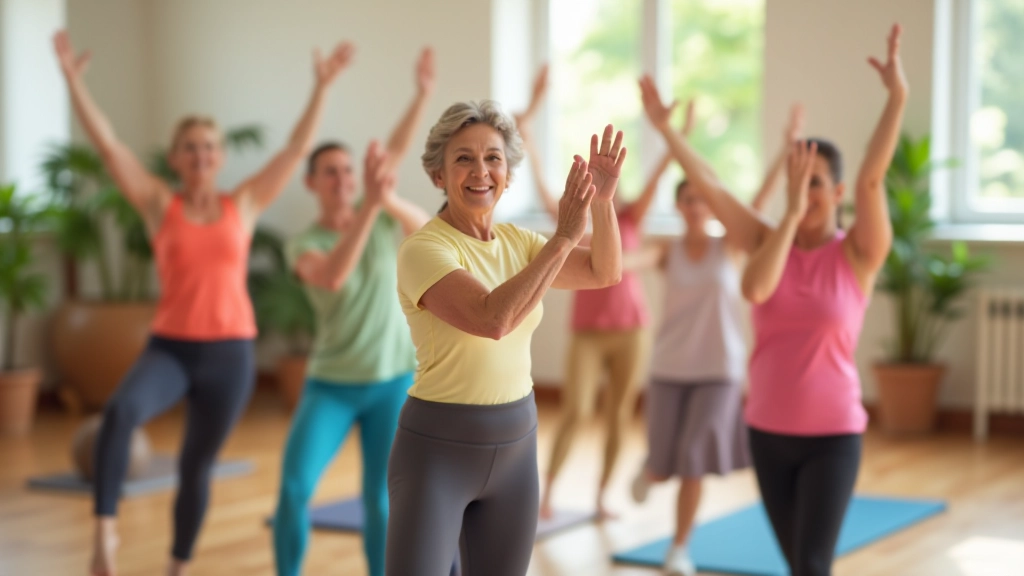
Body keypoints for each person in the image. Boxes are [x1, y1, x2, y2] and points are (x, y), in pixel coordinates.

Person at [53, 29, 351, 576]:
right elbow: (110, 147)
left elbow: (294, 150)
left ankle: (178, 566)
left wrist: (323, 86)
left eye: (209, 146)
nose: (201, 154)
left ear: (220, 157)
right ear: (175, 157)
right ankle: (105, 535)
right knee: (120, 413)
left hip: (230, 355)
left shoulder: (245, 203)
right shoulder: (157, 203)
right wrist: (73, 81)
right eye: (190, 146)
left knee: (196, 467)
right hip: (170, 349)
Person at [639, 23, 906, 576]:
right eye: (796, 180)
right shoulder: (765, 239)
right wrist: (666, 130)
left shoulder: (858, 253)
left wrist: (896, 96)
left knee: (812, 563)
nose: (804, 192)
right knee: (795, 562)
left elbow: (872, 179)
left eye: (815, 182)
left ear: (837, 192)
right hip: (767, 431)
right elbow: (710, 185)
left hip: (834, 434)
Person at [386, 100, 625, 576]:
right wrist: (562, 239)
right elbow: (492, 320)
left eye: (493, 158)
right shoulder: (424, 249)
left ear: (508, 174)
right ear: (438, 175)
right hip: (438, 452)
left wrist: (602, 202)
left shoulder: (521, 243)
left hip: (516, 447)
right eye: (464, 158)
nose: (481, 171)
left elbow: (604, 271)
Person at [272, 48, 435, 576]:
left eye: (348, 170)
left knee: (380, 502)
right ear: (311, 183)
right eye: (330, 172)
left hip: (392, 382)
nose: (343, 179)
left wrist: (422, 94)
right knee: (294, 489)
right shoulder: (305, 243)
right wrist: (369, 204)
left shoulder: (385, 221)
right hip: (332, 385)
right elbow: (333, 276)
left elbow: (398, 159)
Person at [625, 103, 804, 576]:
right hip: (669, 368)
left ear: (709, 204)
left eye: (701, 199)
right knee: (664, 466)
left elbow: (758, 202)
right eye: (687, 200)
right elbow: (626, 263)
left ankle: (679, 548)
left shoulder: (730, 247)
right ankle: (650, 470)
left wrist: (785, 149)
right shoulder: (666, 251)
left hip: (719, 370)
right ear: (679, 207)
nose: (696, 207)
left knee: (693, 461)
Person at [515, 66, 681, 520]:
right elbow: (539, 178)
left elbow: (662, 172)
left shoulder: (630, 218)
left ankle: (601, 498)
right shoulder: (574, 221)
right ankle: (547, 495)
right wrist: (531, 119)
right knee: (576, 411)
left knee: (619, 416)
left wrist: (673, 133)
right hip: (587, 332)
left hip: (632, 331)